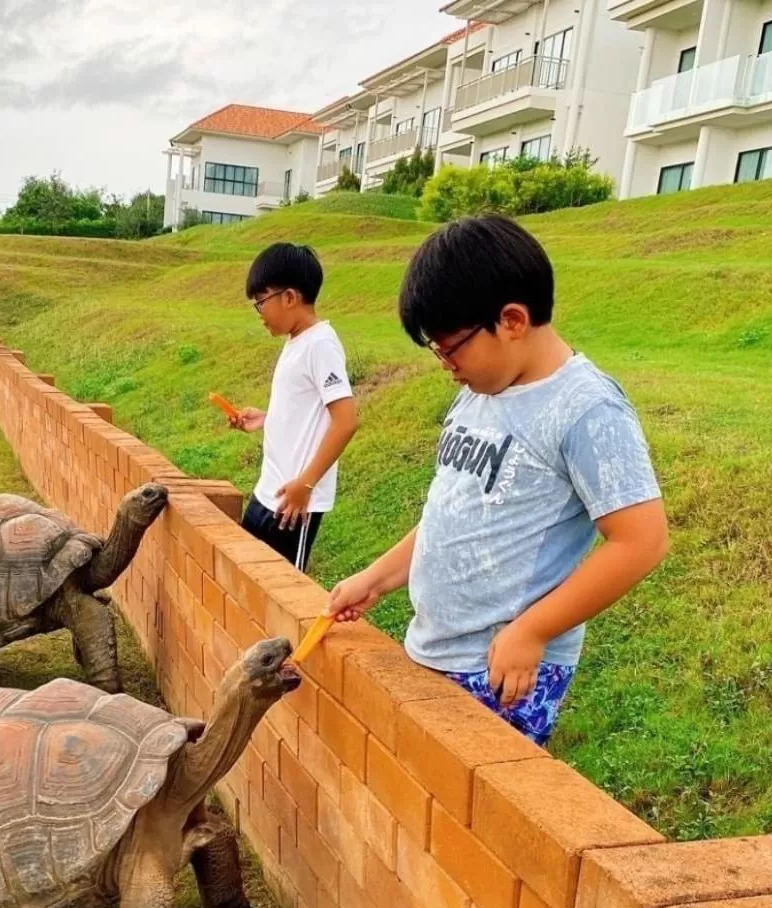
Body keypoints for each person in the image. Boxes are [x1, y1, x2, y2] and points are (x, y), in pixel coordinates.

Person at [327, 215, 669, 745]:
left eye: (451, 347)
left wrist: (531, 631)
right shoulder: (478, 394)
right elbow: (454, 515)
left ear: (511, 320)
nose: (446, 364)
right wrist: (375, 578)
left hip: (501, 670)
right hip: (435, 650)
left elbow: (642, 541)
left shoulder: (586, 409)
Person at [232, 242, 359, 570]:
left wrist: (306, 484)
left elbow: (346, 420)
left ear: (289, 297)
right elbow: (304, 410)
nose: (259, 314)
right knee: (246, 581)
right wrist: (266, 418)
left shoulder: (321, 344)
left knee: (278, 590)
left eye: (261, 302)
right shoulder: (297, 341)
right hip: (268, 492)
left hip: (293, 504)